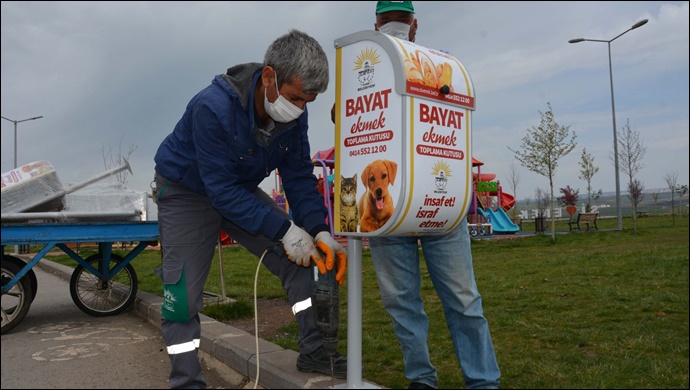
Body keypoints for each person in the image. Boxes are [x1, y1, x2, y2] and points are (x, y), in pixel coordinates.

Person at [153, 29, 347, 389]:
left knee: (303, 261)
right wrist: (286, 231)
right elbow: (220, 192)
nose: (300, 109)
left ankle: (316, 350)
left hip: (236, 187)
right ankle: (186, 381)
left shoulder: (294, 116)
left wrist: (318, 231)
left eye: (309, 102)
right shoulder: (211, 107)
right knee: (181, 296)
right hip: (186, 192)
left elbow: (300, 177)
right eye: (294, 98)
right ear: (269, 77)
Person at [367, 2, 502, 389]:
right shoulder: (374, 70)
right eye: (391, 20)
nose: (395, 26)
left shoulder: (437, 68)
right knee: (408, 302)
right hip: (392, 208)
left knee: (460, 300)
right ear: (378, 25)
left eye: (400, 20)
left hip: (437, 204)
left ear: (413, 26)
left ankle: (481, 381)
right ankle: (423, 379)